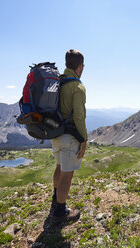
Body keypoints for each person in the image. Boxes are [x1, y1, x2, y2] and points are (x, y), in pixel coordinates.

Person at [51, 49, 87, 224]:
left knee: (59, 168)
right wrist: (84, 139)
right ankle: (60, 212)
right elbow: (79, 116)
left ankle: (55, 200)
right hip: (69, 137)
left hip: (55, 134)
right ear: (80, 66)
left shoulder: (58, 82)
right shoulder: (77, 87)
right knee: (67, 174)